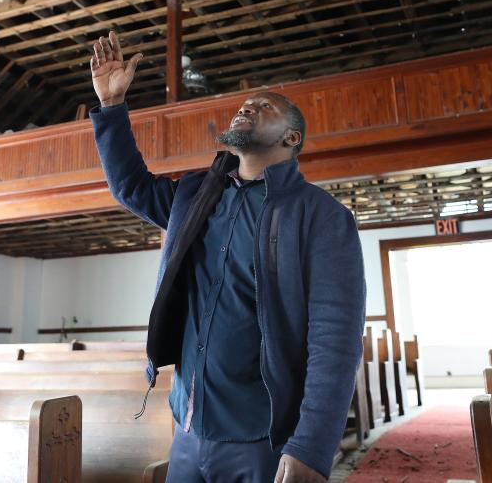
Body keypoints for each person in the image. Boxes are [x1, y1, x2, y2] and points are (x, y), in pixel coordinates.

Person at [89, 31, 366, 483]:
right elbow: (132, 188)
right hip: (187, 427)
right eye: (245, 104)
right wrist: (113, 107)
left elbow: (335, 341)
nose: (247, 107)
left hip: (261, 438)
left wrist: (312, 447)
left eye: (265, 107)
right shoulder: (196, 194)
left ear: (291, 138)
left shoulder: (321, 217)